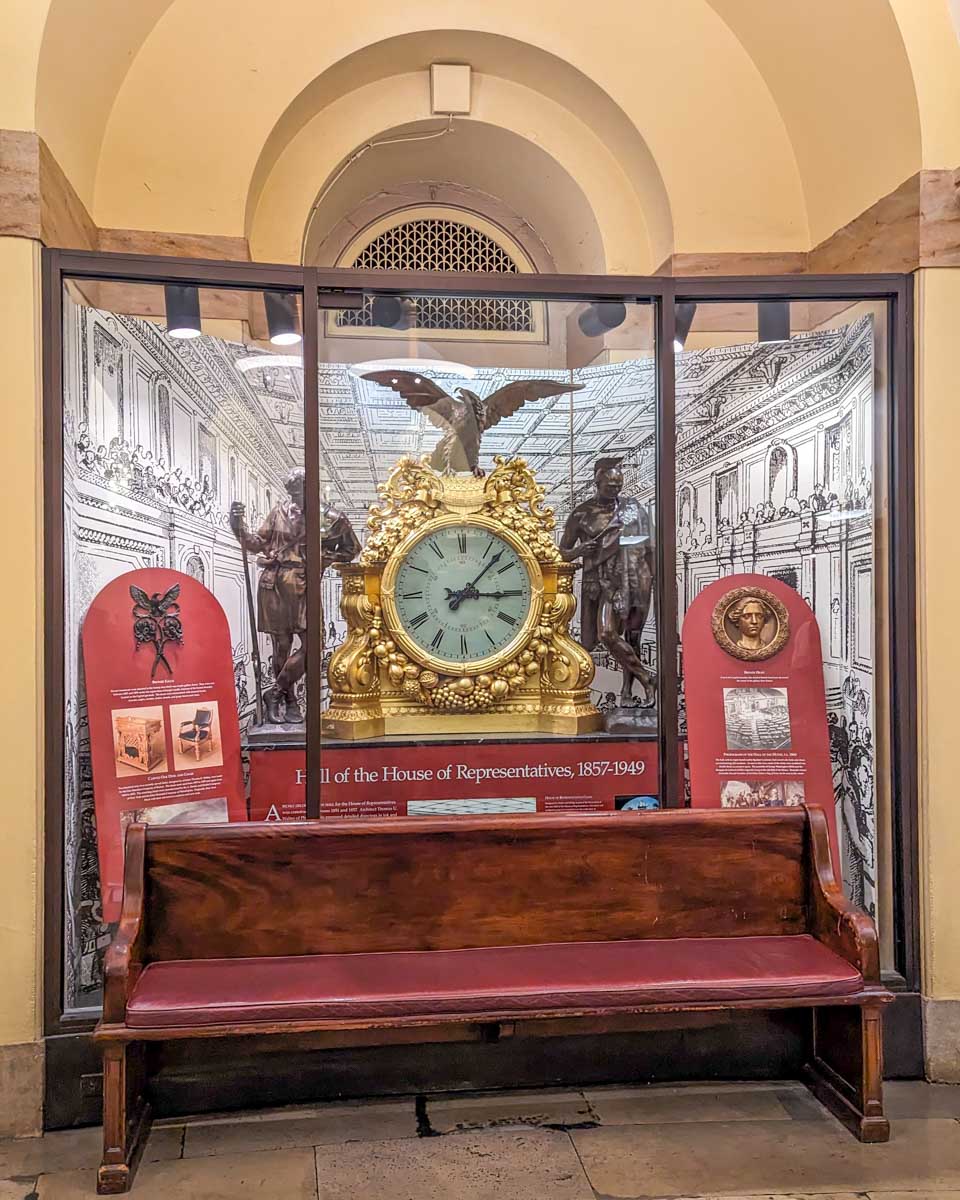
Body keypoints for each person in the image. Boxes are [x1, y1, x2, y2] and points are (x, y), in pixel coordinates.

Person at [230, 470, 360, 725]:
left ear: (312, 487)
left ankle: (275, 692)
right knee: (281, 646)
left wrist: (321, 558)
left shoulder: (332, 518)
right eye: (292, 493)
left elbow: (351, 549)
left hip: (304, 584)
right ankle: (289, 703)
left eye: (299, 492)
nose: (295, 498)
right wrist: (238, 526)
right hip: (274, 584)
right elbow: (256, 543)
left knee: (314, 645)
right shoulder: (278, 512)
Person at [560, 457, 655, 706]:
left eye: (618, 485)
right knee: (606, 634)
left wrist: (653, 579)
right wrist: (579, 551)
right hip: (600, 582)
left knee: (633, 637)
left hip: (633, 578)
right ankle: (647, 679)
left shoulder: (632, 508)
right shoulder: (581, 514)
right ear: (597, 482)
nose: (615, 490)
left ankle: (627, 693)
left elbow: (650, 547)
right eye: (610, 485)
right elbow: (561, 552)